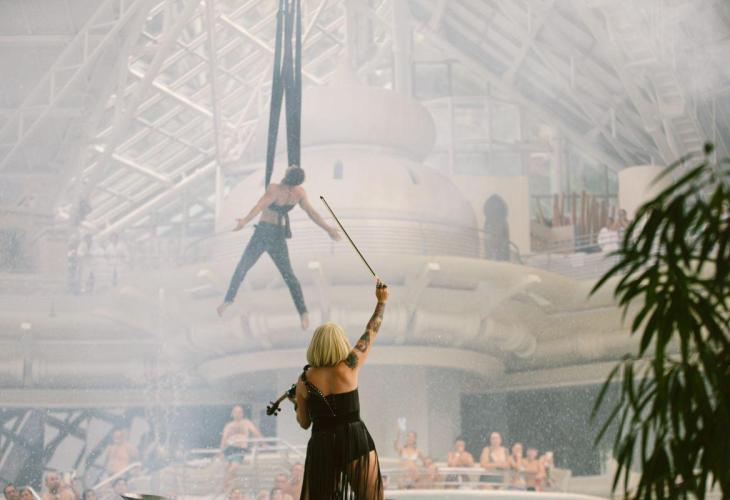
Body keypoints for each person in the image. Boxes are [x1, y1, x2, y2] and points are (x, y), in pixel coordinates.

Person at [292, 279, 388, 499]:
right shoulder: (349, 366)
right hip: (353, 437)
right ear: (341, 343)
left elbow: (304, 423)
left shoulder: (303, 381)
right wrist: (381, 302)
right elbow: (371, 329)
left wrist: (297, 403)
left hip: (322, 443)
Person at [217, 165, 341, 329]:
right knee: (289, 275)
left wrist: (244, 221)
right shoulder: (299, 193)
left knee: (242, 267)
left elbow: (259, 206)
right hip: (278, 235)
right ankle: (303, 313)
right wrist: (328, 229)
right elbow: (312, 214)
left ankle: (227, 300)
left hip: (264, 233)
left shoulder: (274, 189)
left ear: (287, 175)